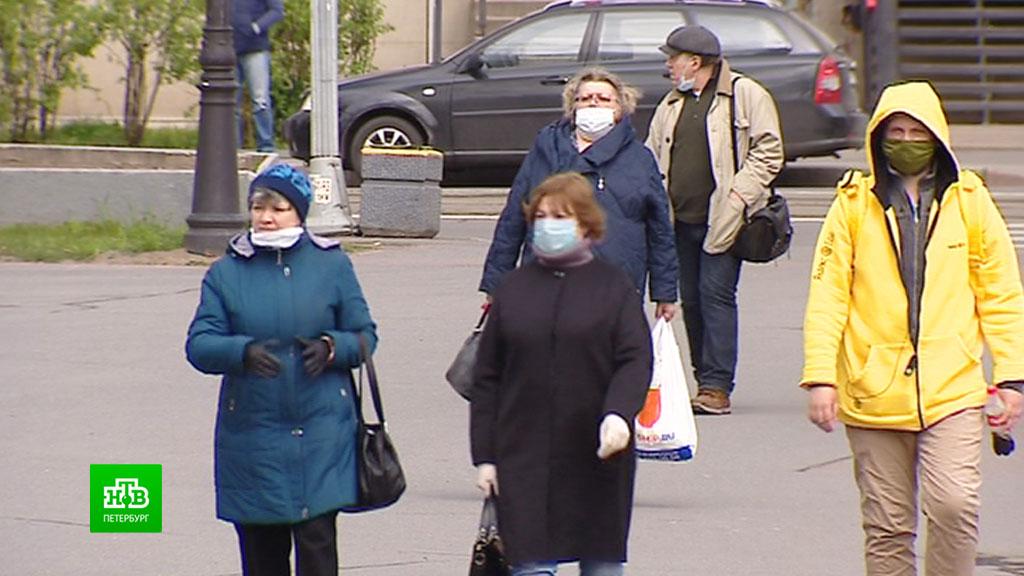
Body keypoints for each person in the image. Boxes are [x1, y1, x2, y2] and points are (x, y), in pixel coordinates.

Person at [801, 80, 1024, 576]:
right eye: (895, 132)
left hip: (953, 390)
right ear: (878, 138)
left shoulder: (970, 201)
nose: (905, 141)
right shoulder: (853, 204)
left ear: (938, 138)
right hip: (872, 390)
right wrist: (821, 377)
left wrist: (1011, 378)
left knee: (954, 505)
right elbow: (828, 295)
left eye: (917, 132)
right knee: (887, 526)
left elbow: (1001, 294)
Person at [185, 163, 377, 576]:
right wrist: (242, 352)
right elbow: (199, 345)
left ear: (300, 213)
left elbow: (364, 336)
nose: (267, 217)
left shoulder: (332, 266)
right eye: (258, 207)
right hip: (253, 437)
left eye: (279, 208)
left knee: (318, 551)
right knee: (262, 557)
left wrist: (332, 347)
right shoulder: (226, 273)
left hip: (322, 432)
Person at [471, 172, 654, 576]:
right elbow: (487, 377)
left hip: (597, 451)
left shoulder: (612, 288)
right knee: (531, 561)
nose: (548, 225)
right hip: (524, 454)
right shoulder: (514, 289)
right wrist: (485, 455)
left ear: (586, 224)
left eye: (560, 216)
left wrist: (619, 414)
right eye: (541, 216)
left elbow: (635, 358)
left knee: (601, 561)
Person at [645, 25, 784, 415]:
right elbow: (653, 155)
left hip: (725, 219)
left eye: (673, 58)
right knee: (690, 299)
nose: (669, 66)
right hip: (680, 220)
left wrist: (739, 195)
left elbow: (769, 152)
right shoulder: (672, 103)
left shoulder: (744, 94)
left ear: (695, 61)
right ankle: (702, 377)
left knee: (715, 296)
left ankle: (716, 386)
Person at [479, 67, 678, 321]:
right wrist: (496, 284)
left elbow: (660, 229)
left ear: (621, 108)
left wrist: (665, 293)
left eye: (604, 98)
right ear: (572, 107)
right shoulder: (546, 149)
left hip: (616, 287)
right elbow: (513, 218)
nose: (594, 103)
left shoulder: (640, 158)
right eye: (585, 98)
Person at [231, 0, 284, 153]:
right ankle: (233, 149)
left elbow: (277, 11)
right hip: (229, 49)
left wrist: (256, 27)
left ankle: (266, 147)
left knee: (260, 100)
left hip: (255, 49)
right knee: (230, 104)